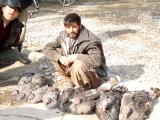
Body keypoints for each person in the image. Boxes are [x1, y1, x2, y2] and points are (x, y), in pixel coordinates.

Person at [43, 13, 109, 90]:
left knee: (79, 64)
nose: (71, 30)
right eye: (68, 27)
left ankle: (83, 87)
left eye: (74, 27)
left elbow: (96, 61)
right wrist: (60, 58)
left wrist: (76, 56)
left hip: (94, 75)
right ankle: (69, 80)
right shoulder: (63, 35)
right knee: (56, 52)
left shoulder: (90, 40)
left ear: (80, 26)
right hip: (72, 69)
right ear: (65, 27)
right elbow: (47, 48)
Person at [0, 0, 30, 69]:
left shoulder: (15, 26)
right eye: (11, 7)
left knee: (15, 54)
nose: (13, 11)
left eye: (16, 10)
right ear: (3, 8)